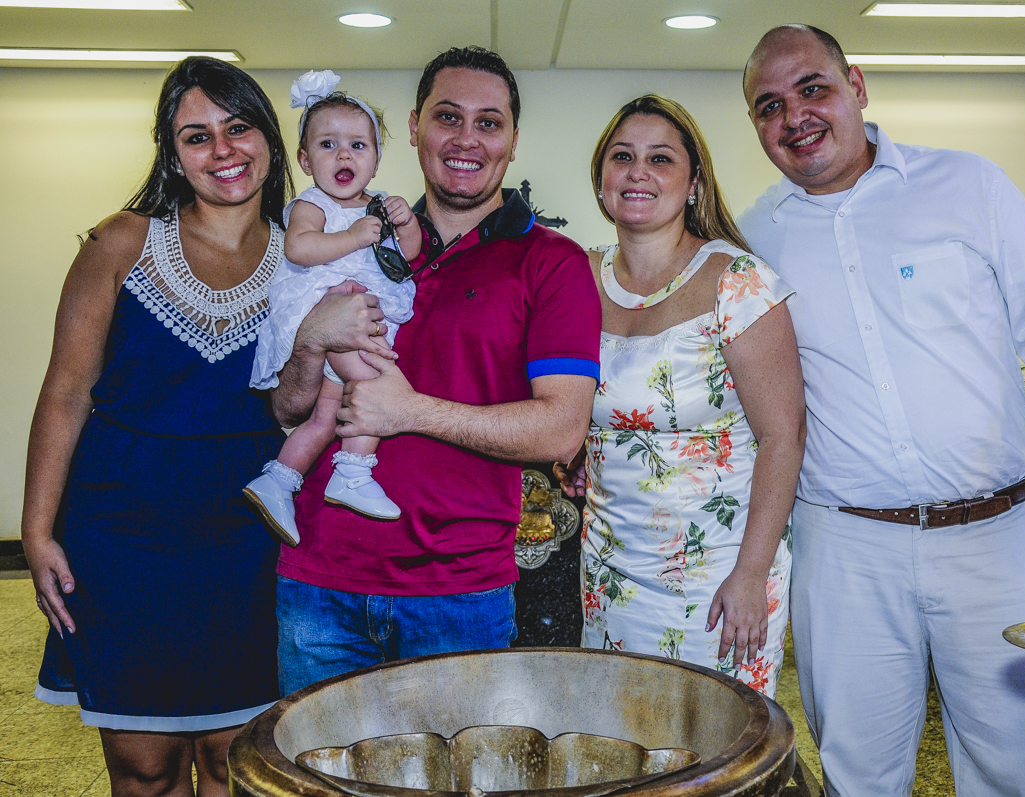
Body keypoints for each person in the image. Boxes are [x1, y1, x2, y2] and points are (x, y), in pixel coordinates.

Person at [738, 24, 1025, 796]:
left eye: (812, 88)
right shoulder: (754, 237)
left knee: (1021, 761)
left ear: (857, 85)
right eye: (769, 106)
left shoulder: (968, 186)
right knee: (859, 769)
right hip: (848, 549)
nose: (795, 117)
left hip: (998, 540)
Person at [269, 46, 602, 696]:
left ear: (511, 139)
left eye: (489, 122)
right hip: (317, 580)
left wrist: (410, 410)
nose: (466, 139)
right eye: (449, 117)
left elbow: (562, 430)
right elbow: (285, 410)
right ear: (417, 124)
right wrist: (309, 344)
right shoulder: (349, 238)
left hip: (458, 594)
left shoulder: (551, 261)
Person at [22, 56, 291, 797]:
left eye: (238, 128)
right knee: (143, 766)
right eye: (196, 136)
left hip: (248, 538)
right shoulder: (121, 241)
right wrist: (39, 530)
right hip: (122, 532)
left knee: (234, 760)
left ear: (269, 138)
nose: (224, 150)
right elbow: (67, 391)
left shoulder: (309, 260)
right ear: (172, 154)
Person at [565, 95, 804, 697]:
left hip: (720, 572)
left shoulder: (738, 281)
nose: (638, 172)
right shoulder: (576, 278)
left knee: (712, 751)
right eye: (623, 157)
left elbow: (784, 437)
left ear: (693, 182)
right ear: (601, 180)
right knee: (621, 748)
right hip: (612, 566)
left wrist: (751, 574)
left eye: (661, 159)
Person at [245, 70, 422, 544]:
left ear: (377, 159)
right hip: (326, 309)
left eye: (358, 146)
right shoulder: (314, 204)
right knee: (378, 387)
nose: (344, 155)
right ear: (305, 159)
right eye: (327, 145)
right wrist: (351, 236)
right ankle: (354, 473)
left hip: (362, 315)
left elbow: (406, 255)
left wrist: (405, 224)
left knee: (326, 417)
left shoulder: (381, 204)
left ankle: (278, 480)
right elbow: (300, 249)